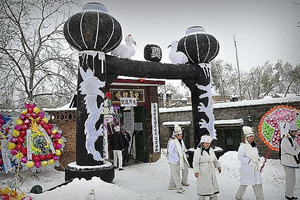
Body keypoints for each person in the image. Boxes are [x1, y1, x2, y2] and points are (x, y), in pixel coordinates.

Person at [235, 126, 264, 200]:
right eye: (250, 136)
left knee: (258, 183)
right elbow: (240, 157)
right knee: (244, 184)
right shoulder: (243, 146)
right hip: (247, 169)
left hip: (255, 168)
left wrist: (258, 160)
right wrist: (249, 162)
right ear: (246, 137)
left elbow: (255, 155)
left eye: (252, 136)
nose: (251, 138)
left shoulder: (254, 146)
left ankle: (260, 198)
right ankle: (238, 197)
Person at [193, 135, 221, 200]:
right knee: (203, 190)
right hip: (203, 172)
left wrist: (218, 166)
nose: (208, 145)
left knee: (213, 189)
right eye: (207, 143)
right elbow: (195, 163)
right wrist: (196, 172)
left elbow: (215, 160)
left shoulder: (211, 150)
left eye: (209, 143)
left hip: (211, 171)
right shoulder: (198, 151)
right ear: (202, 143)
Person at [167, 124, 189, 194]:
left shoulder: (180, 140)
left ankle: (173, 185)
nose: (181, 135)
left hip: (182, 159)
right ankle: (179, 188)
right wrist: (178, 157)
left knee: (185, 169)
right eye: (180, 134)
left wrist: (185, 153)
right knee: (176, 174)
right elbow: (171, 152)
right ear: (177, 135)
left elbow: (183, 147)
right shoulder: (172, 141)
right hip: (174, 161)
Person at [280, 121, 300, 200]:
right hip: (287, 162)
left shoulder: (292, 139)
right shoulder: (285, 139)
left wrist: (296, 150)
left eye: (296, 131)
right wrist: (296, 151)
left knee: (292, 180)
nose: (295, 133)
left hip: (291, 162)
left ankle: (290, 194)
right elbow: (292, 151)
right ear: (290, 131)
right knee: (290, 180)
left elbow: (297, 147)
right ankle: (288, 195)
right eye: (294, 131)